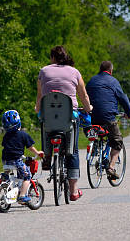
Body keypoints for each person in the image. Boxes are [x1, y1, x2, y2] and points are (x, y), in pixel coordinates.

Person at [35, 45, 92, 201]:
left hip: (49, 116)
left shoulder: (44, 71)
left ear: (52, 57)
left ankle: (47, 155)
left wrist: (37, 109)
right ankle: (73, 191)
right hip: (69, 117)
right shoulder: (75, 72)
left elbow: (40, 95)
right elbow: (84, 95)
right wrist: (88, 108)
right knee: (72, 150)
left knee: (44, 125)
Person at [86, 61, 130, 179]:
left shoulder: (91, 80)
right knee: (117, 141)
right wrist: (129, 113)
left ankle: (97, 149)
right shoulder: (113, 81)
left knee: (99, 132)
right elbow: (123, 98)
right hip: (108, 117)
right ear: (111, 71)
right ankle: (111, 168)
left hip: (93, 117)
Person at [1, 110, 44, 204]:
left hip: (5, 160)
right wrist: (37, 152)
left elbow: (6, 146)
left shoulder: (6, 136)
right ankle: (22, 196)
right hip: (16, 160)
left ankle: (5, 177)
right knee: (27, 176)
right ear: (19, 123)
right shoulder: (23, 135)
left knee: (9, 170)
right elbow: (30, 147)